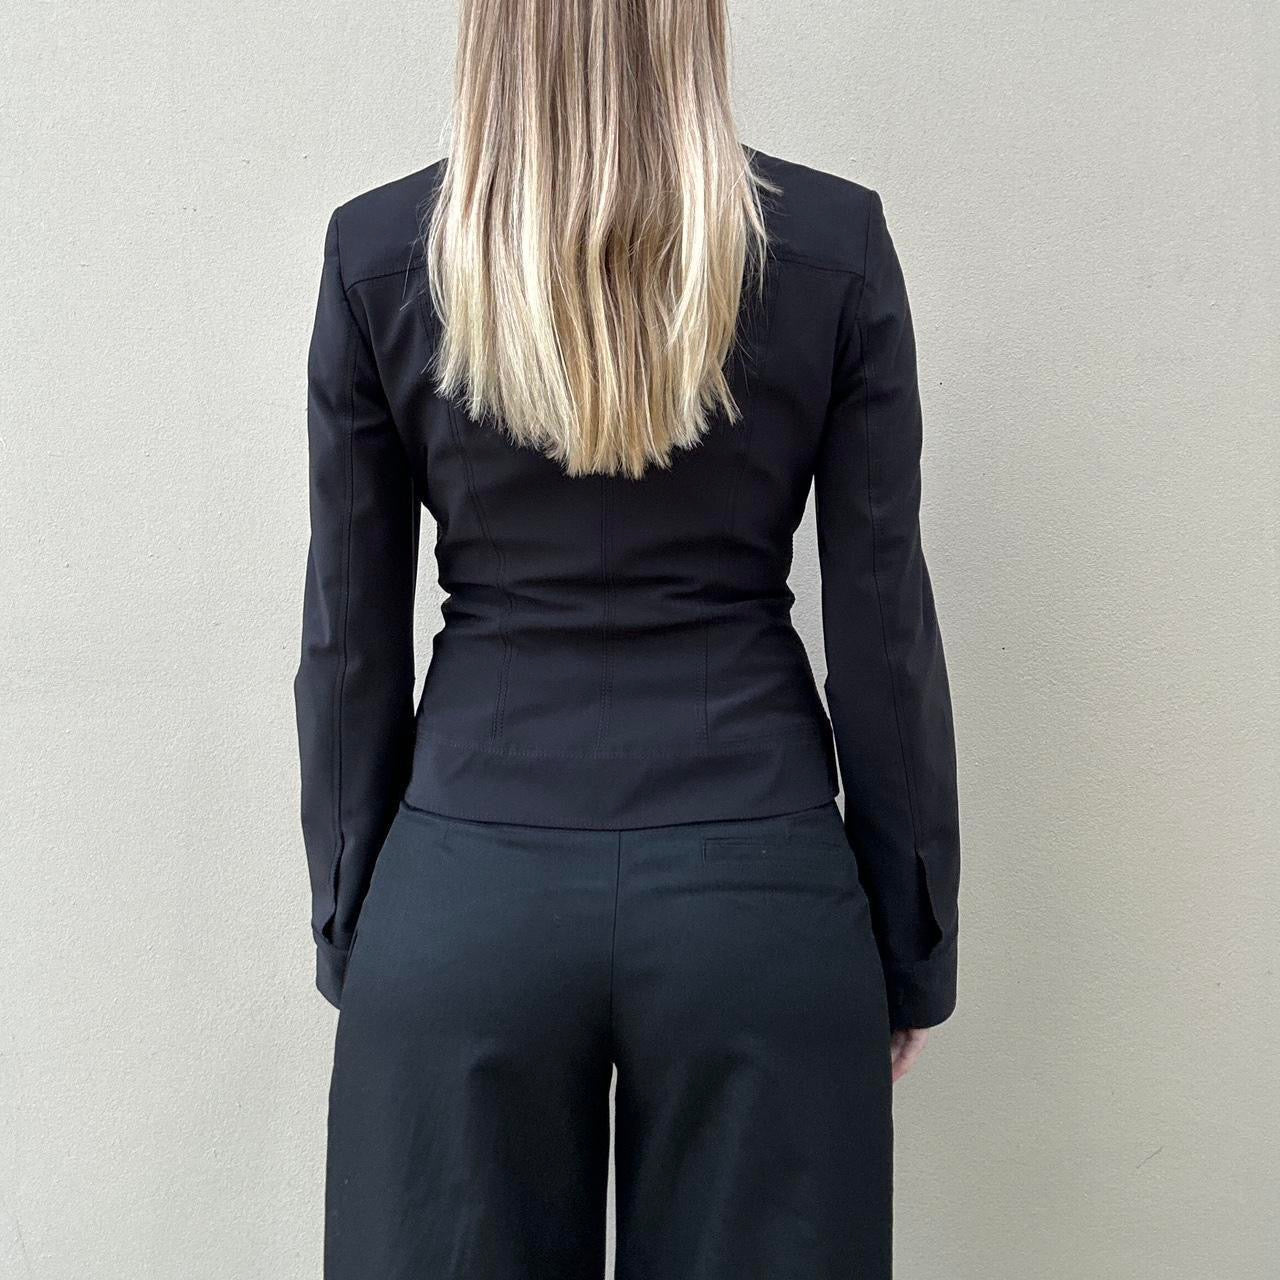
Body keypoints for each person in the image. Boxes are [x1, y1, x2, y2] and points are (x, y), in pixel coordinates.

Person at [293, 2, 961, 1275]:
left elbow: (348, 643)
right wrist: (905, 942)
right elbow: (883, 634)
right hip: (755, 891)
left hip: (467, 891)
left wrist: (357, 927)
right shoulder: (831, 246)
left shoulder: (379, 254)